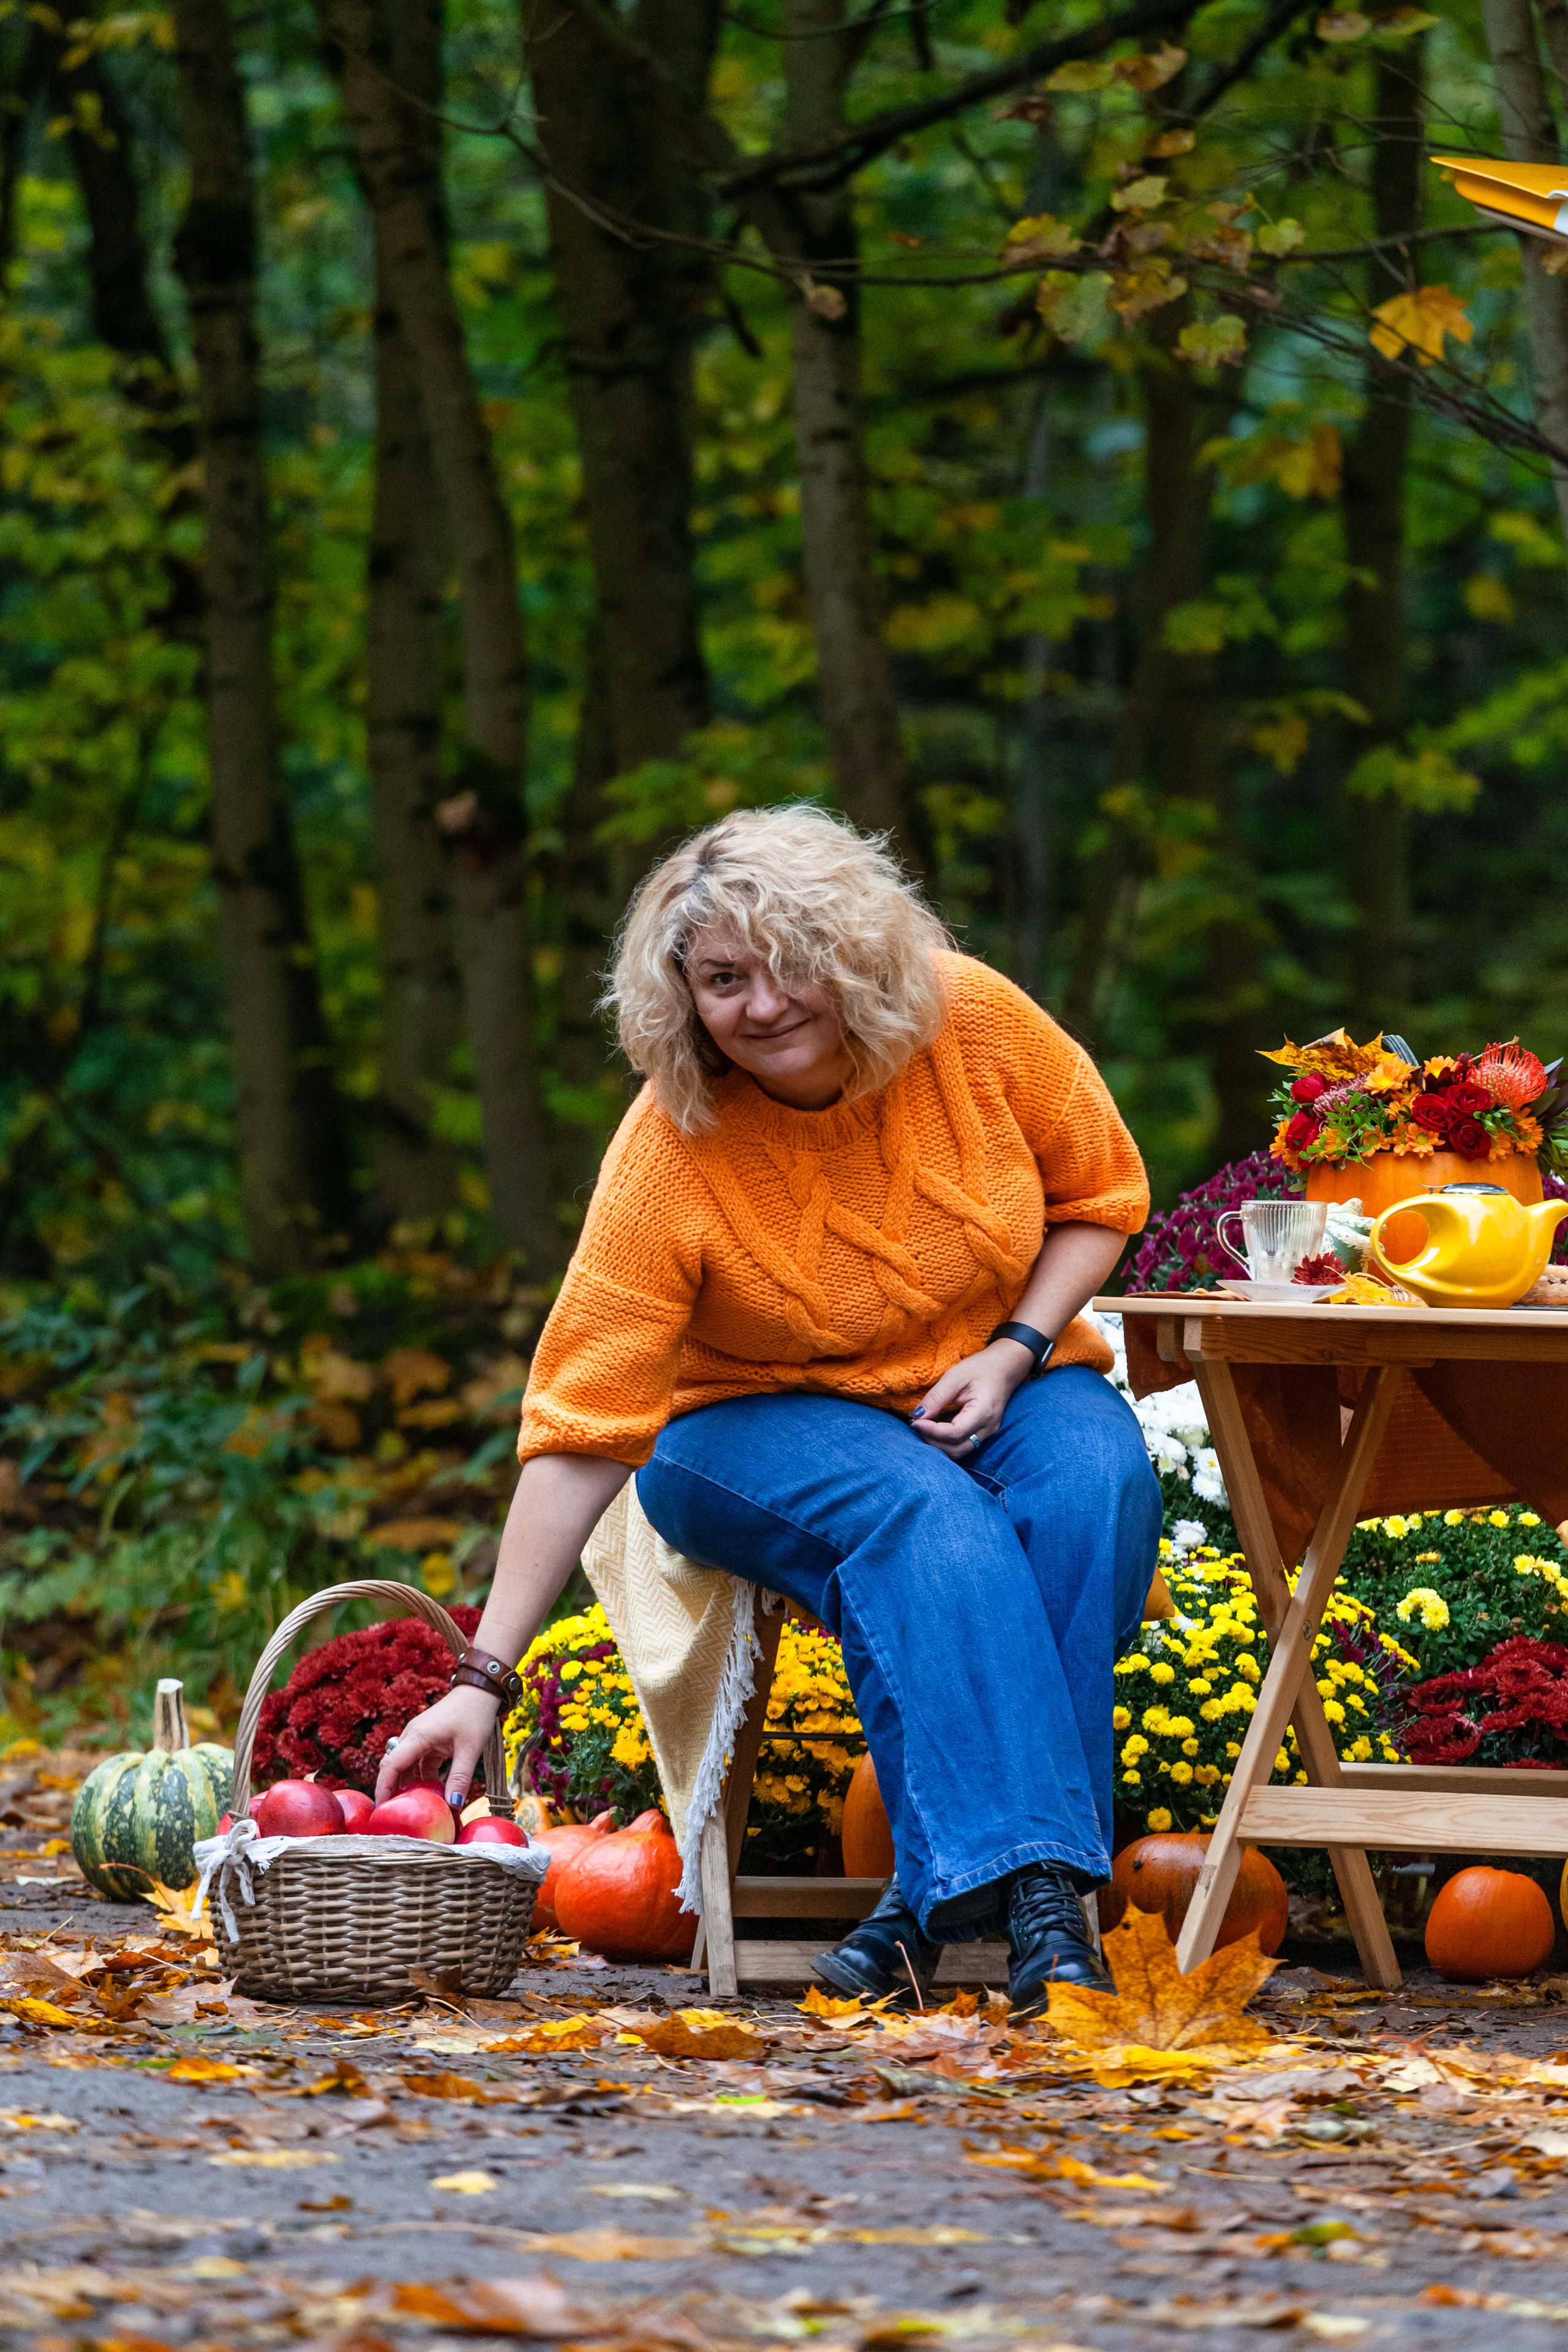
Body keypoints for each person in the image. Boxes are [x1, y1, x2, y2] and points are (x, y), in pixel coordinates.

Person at [376, 806, 1161, 2010]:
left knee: (1091, 1481)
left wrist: (1015, 1350)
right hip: (739, 1429)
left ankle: (933, 1895)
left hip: (998, 1368)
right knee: (924, 1512)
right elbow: (581, 1425)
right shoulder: (672, 1144)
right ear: (682, 998)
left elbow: (1100, 1196)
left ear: (857, 953)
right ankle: (1049, 1899)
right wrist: (481, 1673)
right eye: (722, 980)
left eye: (793, 962)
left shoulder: (973, 1020)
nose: (764, 1004)